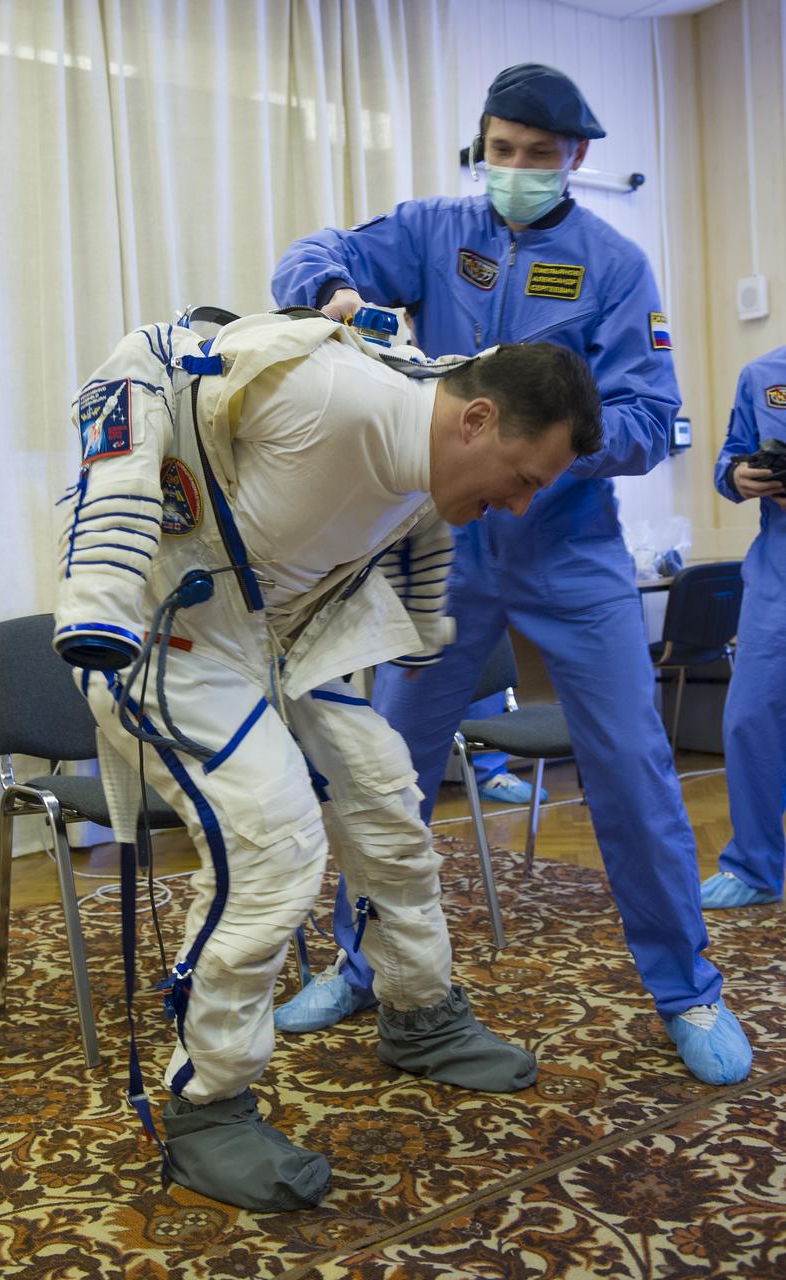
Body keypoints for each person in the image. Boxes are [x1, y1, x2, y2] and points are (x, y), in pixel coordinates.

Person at [53, 306, 603, 1212]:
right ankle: (206, 1107)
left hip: (273, 641)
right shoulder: (327, 393)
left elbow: (411, 516)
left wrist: (422, 616)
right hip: (164, 638)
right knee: (276, 848)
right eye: (520, 477)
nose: (518, 504)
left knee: (387, 795)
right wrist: (101, 579)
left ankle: (420, 1016)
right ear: (475, 421)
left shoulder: (434, 435)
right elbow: (142, 360)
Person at [270, 62, 754, 1089]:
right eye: (503, 150)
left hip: (568, 544)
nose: (518, 170)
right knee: (384, 764)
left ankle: (687, 987)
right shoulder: (434, 230)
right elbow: (310, 254)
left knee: (630, 762)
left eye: (541, 155)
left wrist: (544, 448)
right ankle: (367, 963)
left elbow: (649, 418)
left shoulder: (614, 265)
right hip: (442, 543)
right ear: (482, 144)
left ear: (577, 158)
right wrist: (336, 293)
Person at [701, 347, 786, 909]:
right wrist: (739, 474)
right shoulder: (762, 375)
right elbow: (728, 462)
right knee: (749, 718)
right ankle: (754, 868)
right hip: (777, 573)